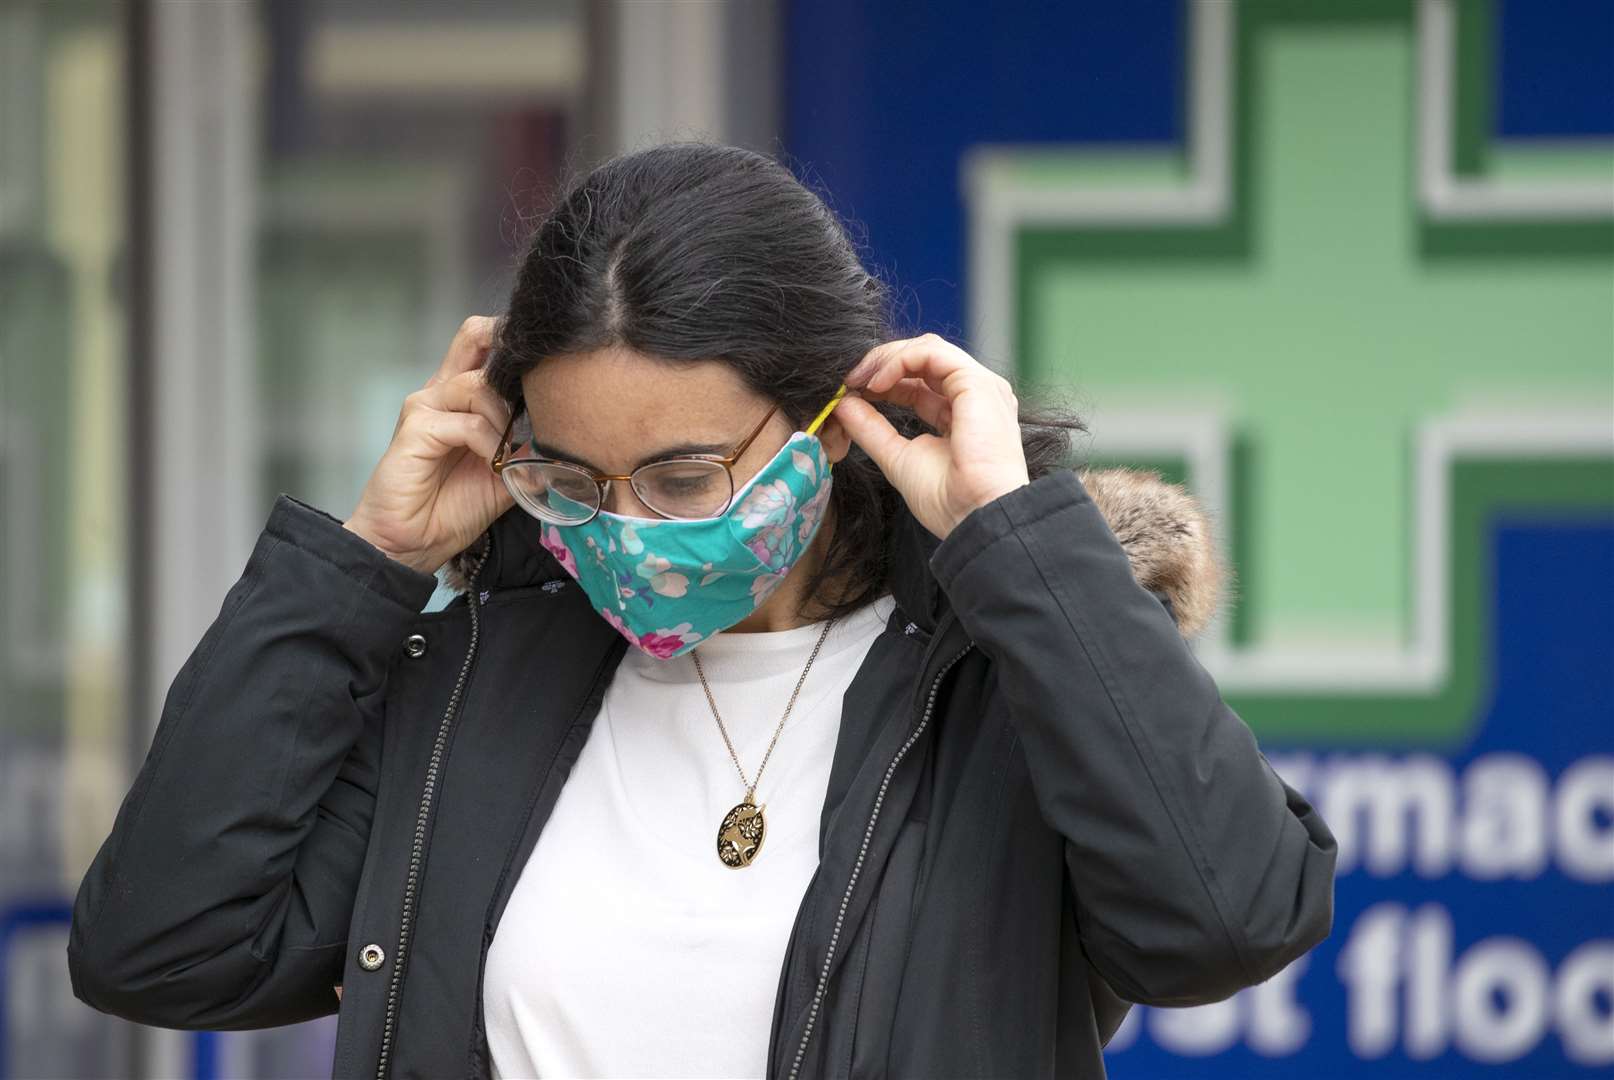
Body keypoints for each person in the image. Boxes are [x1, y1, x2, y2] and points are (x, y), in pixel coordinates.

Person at [67, 141, 1337, 1079]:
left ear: (831, 428)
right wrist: (367, 563)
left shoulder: (992, 687)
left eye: (683, 476)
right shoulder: (470, 691)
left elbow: (1227, 922)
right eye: (570, 481)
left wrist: (1014, 541)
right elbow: (162, 947)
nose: (630, 532)